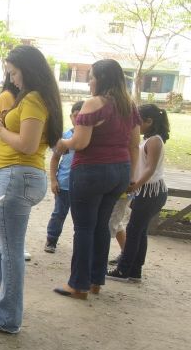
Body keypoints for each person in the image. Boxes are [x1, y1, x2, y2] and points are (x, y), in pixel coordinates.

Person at [0, 45, 63, 333]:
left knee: (11, 249)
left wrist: (0, 131)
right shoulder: (31, 98)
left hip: (18, 177)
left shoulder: (35, 99)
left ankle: (8, 316)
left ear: (28, 69)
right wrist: (0, 126)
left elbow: (26, 144)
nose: (11, 79)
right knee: (0, 243)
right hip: (16, 176)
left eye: (13, 72)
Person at [53, 59, 141, 300]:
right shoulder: (130, 107)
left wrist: (63, 144)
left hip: (92, 171)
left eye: (91, 77)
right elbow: (134, 145)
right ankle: (95, 281)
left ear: (101, 78)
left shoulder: (93, 104)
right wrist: (131, 175)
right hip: (120, 171)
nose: (89, 82)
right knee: (101, 225)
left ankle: (78, 285)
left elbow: (80, 142)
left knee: (83, 228)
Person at [107, 104, 170, 283]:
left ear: (149, 121)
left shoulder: (154, 141)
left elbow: (150, 169)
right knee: (139, 231)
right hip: (147, 191)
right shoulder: (149, 139)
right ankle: (135, 271)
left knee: (134, 230)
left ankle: (124, 270)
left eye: (138, 121)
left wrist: (135, 185)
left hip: (151, 192)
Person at [44, 101, 84, 253]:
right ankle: (51, 239)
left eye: (82, 117)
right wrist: (54, 180)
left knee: (80, 217)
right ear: (71, 117)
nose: (78, 119)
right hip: (64, 184)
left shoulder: (89, 139)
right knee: (59, 213)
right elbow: (55, 158)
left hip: (82, 186)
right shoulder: (65, 137)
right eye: (76, 116)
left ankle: (80, 245)